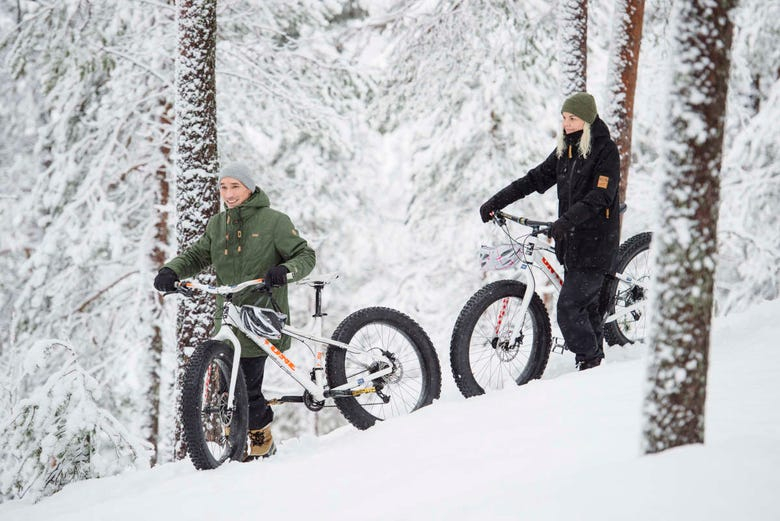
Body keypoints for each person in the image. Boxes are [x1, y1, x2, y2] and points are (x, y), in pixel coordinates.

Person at [154, 161, 316, 458]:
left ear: (250, 188)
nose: (228, 194)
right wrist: (171, 271)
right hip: (228, 316)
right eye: (224, 187)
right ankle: (236, 441)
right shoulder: (218, 224)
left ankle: (261, 439)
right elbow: (198, 255)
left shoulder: (274, 221)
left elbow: (305, 255)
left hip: (261, 313)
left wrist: (284, 271)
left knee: (247, 385)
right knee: (227, 387)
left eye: (235, 187)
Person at [479, 92, 620, 371]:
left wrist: (566, 221)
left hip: (596, 244)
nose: (566, 124)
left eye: (573, 118)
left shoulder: (606, 151)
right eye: (564, 118)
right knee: (586, 307)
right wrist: (497, 201)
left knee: (569, 310)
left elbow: (600, 197)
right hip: (572, 244)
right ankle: (594, 362)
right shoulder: (566, 149)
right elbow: (535, 179)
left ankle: (591, 360)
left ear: (588, 120)